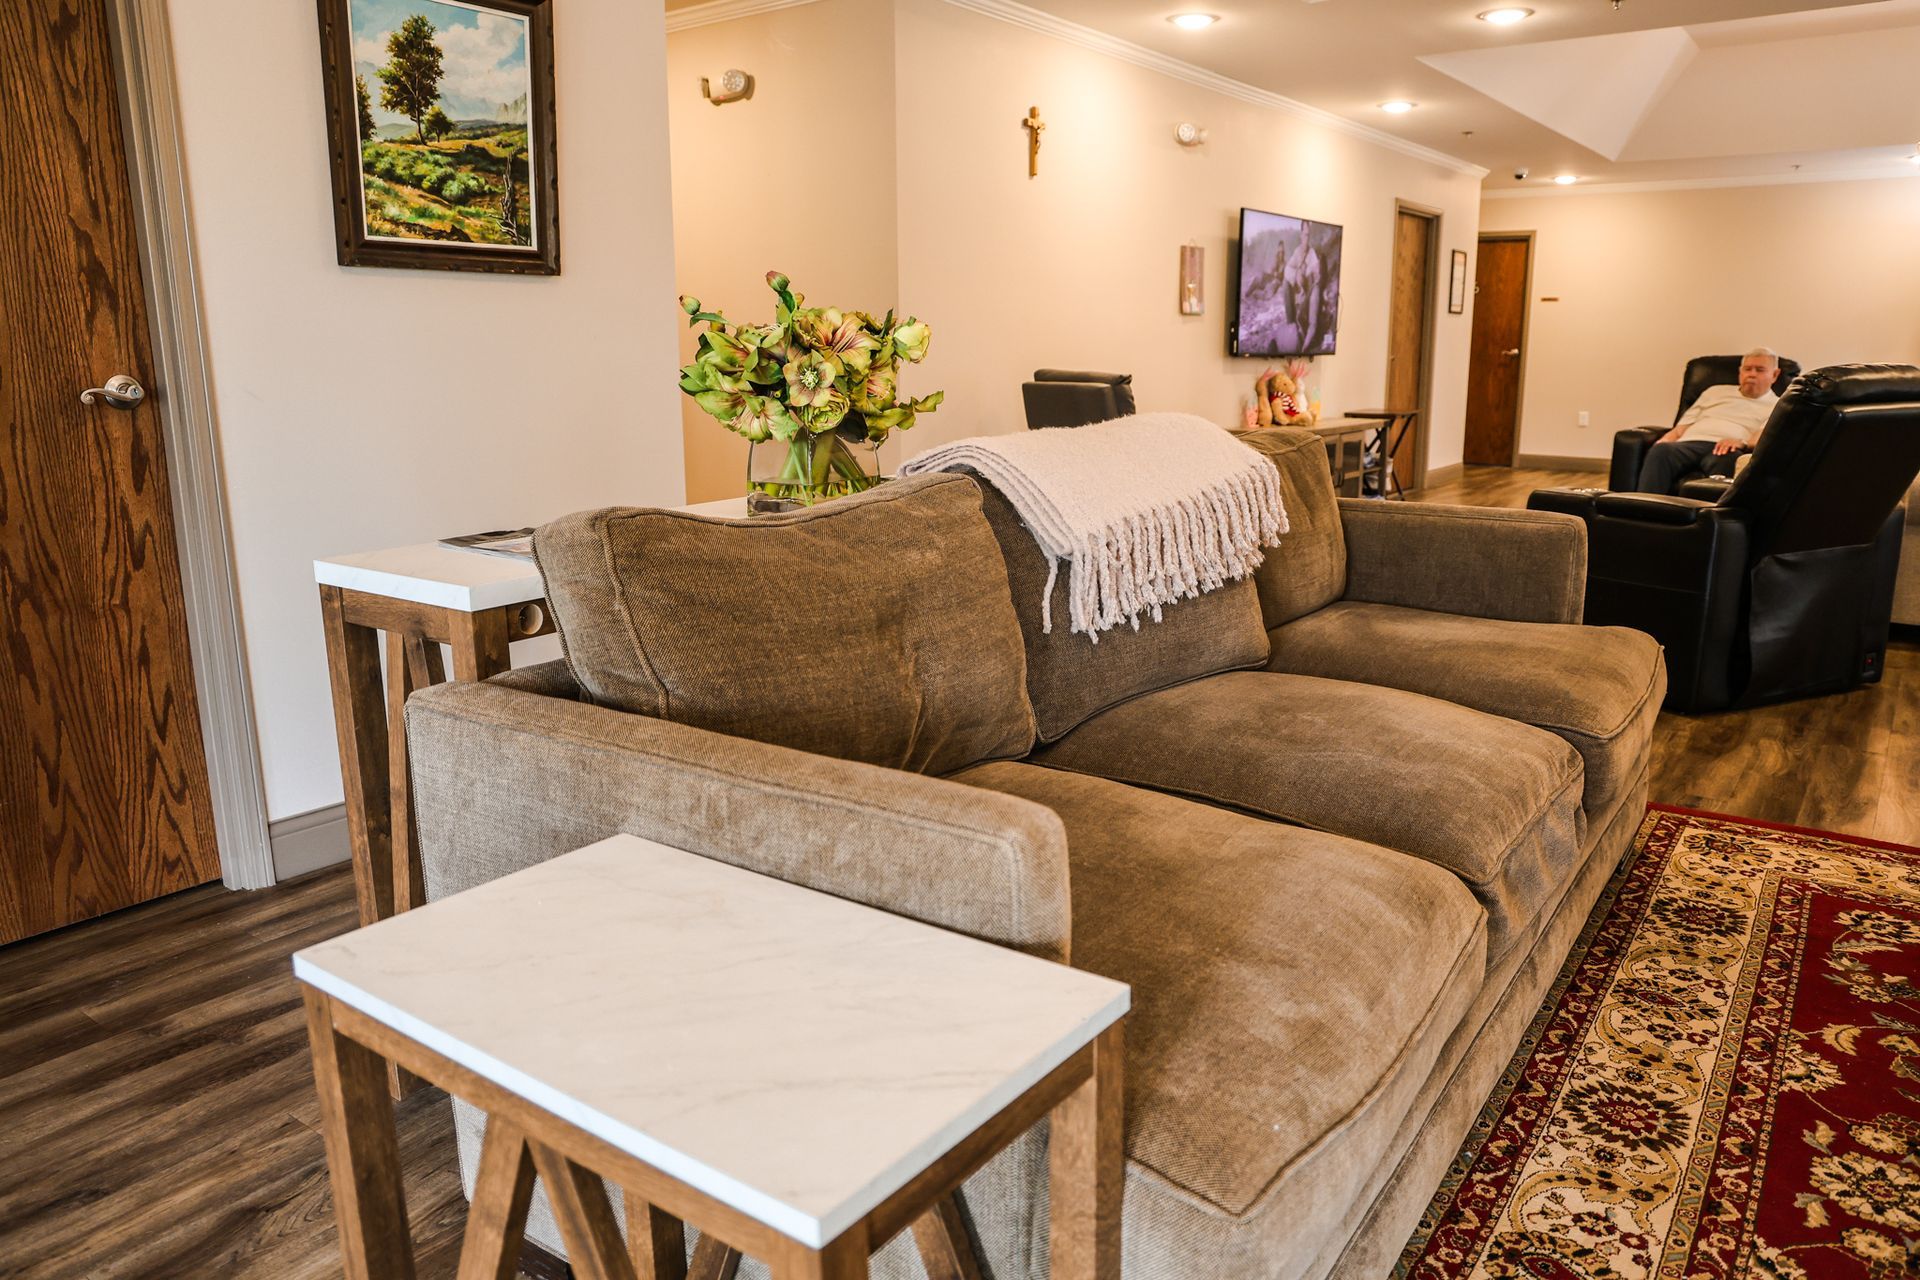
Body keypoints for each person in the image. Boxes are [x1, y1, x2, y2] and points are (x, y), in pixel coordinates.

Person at [1635, 349, 1782, 493]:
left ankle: (1707, 515)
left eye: (1759, 370)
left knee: (1729, 459)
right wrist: (1663, 441)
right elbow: (1680, 428)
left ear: (1775, 375)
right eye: (1747, 369)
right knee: (1661, 451)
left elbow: (1761, 439)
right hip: (1689, 443)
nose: (1751, 374)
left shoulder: (1777, 405)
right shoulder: (1714, 391)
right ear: (1740, 371)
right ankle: (1644, 511)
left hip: (1726, 449)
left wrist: (1742, 443)